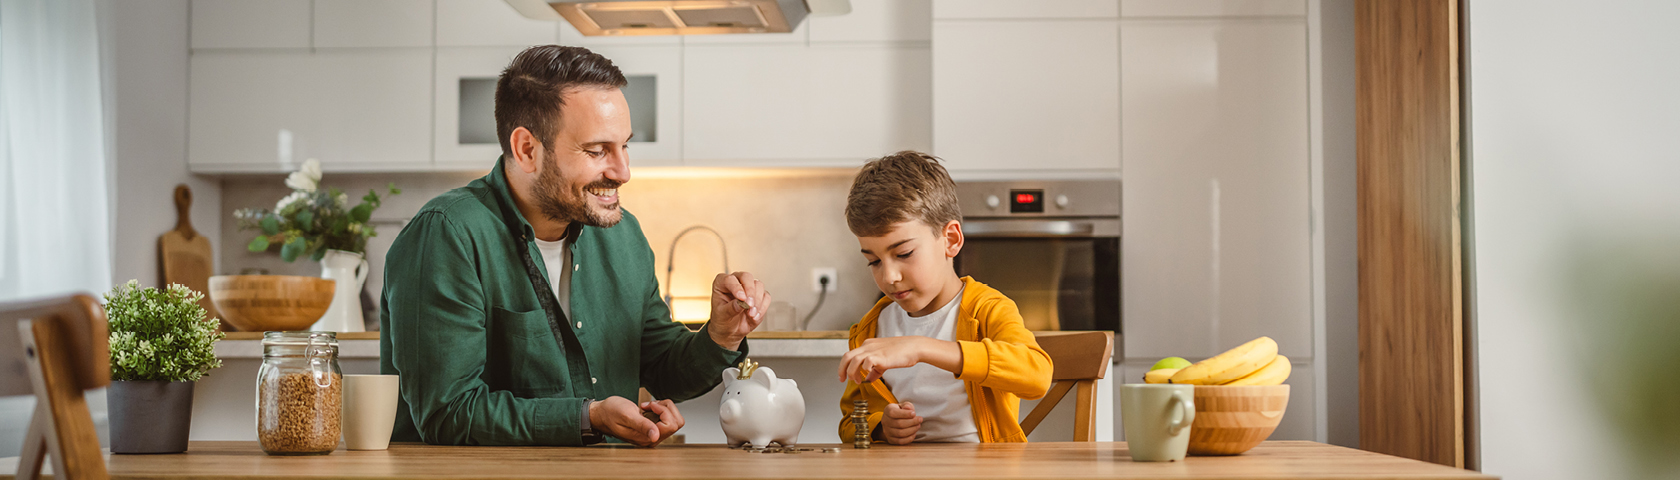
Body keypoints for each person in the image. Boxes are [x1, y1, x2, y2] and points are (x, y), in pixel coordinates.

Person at [379, 45, 771, 447]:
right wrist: (589, 417)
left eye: (625, 146)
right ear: (526, 149)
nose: (623, 172)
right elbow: (447, 414)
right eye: (597, 150)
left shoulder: (623, 235)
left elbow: (661, 367)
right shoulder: (448, 234)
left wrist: (721, 335)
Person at [834, 151, 1053, 444]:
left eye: (904, 254)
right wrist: (880, 427)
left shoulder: (987, 309)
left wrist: (922, 347)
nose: (889, 277)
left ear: (950, 240)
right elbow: (850, 422)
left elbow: (1036, 375)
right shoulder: (870, 329)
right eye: (874, 261)